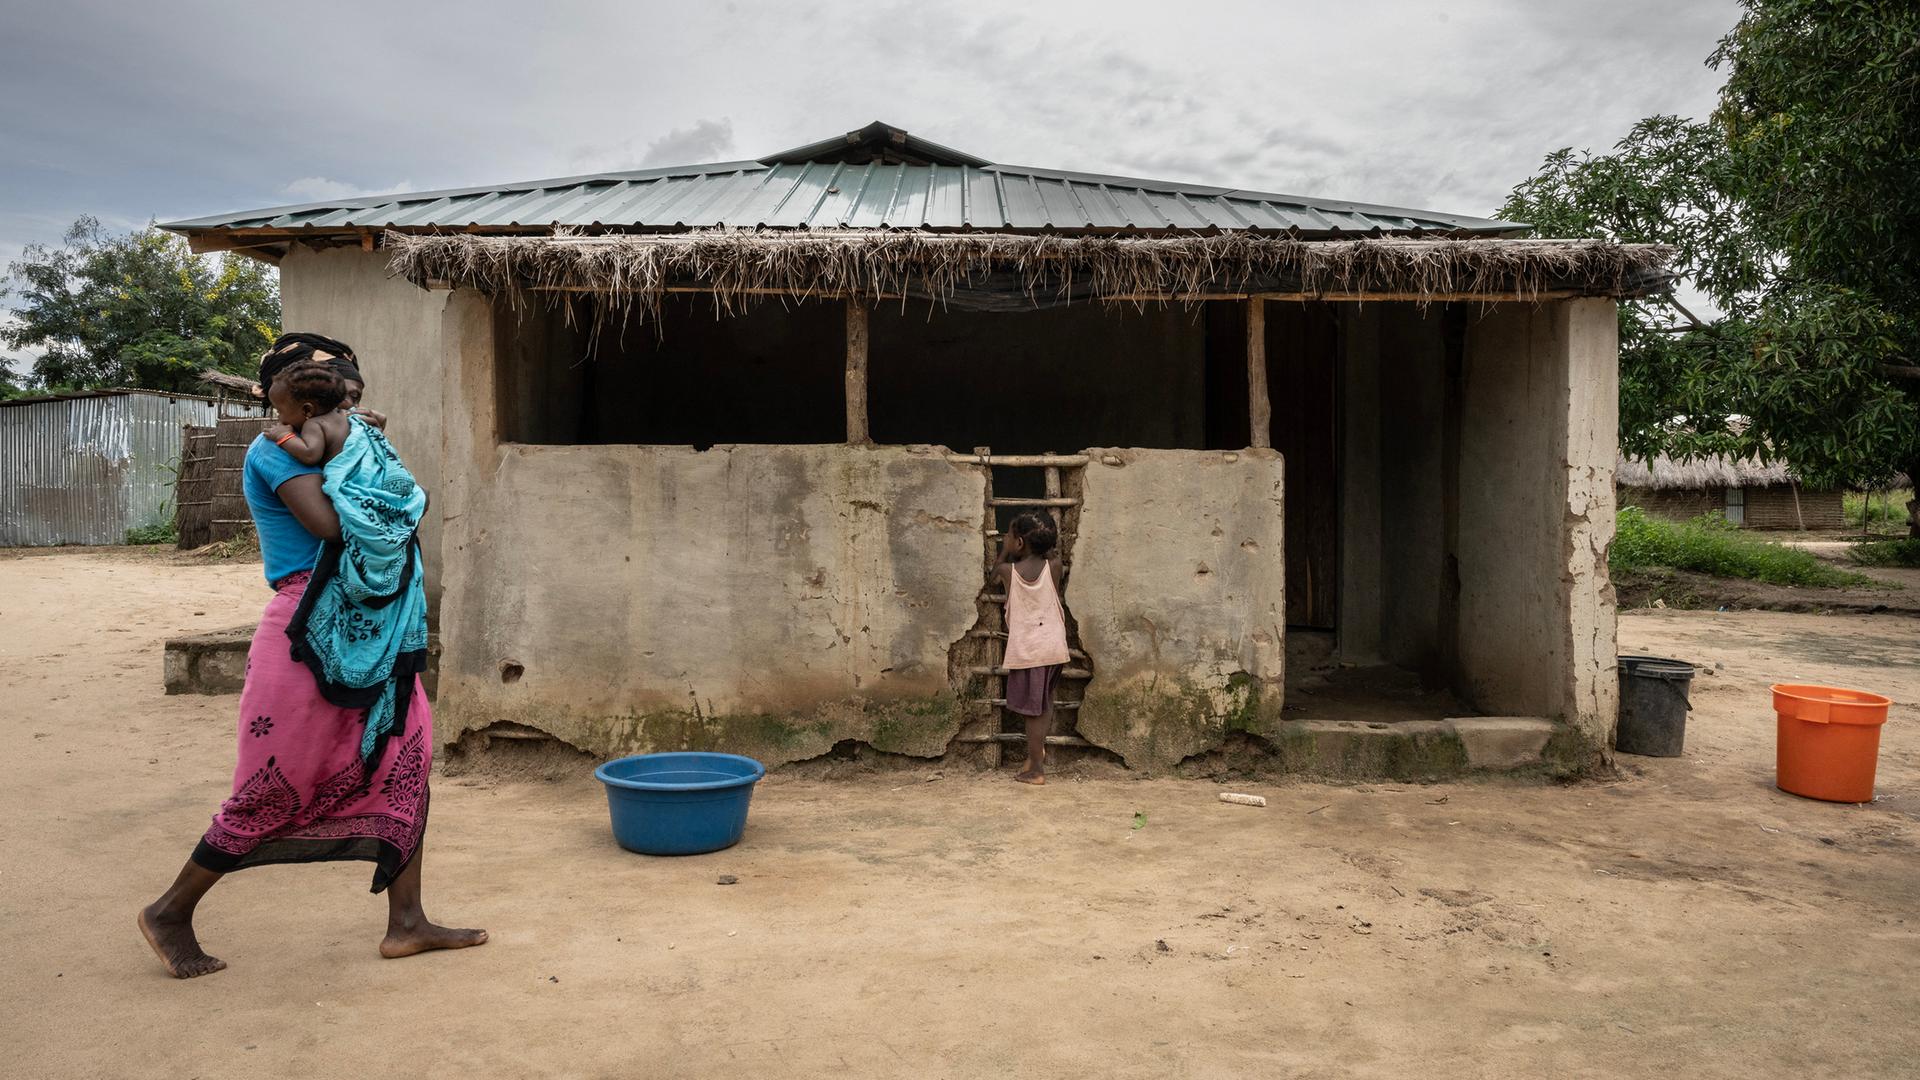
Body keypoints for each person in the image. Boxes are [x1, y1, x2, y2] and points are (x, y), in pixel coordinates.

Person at [138, 333, 484, 979]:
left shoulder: (348, 440)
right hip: (306, 628)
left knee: (404, 765)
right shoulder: (273, 452)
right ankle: (170, 910)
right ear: (283, 400)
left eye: (346, 391)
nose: (340, 400)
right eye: (321, 390)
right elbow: (329, 525)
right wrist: (353, 445)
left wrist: (358, 442)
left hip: (382, 625)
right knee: (274, 781)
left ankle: (407, 923)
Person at [996, 511, 1070, 785]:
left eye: (1009, 536)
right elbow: (1047, 557)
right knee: (1044, 703)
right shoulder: (1055, 567)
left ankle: (1037, 768)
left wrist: (1004, 552)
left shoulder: (1007, 571)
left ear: (1018, 543)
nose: (1005, 538)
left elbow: (994, 573)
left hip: (1030, 650)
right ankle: (1034, 756)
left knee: (1032, 711)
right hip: (1052, 646)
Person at [264, 360, 353, 467]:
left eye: (279, 411)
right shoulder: (345, 415)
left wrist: (282, 436)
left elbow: (310, 455)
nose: (279, 418)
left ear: (307, 410)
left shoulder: (314, 425)